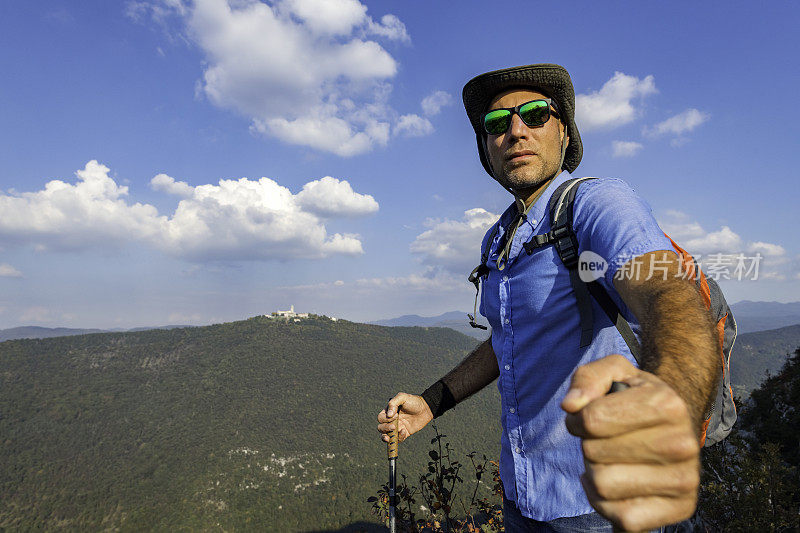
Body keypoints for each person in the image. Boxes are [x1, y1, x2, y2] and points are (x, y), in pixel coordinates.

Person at [377, 64, 720, 532]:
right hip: (524, 498)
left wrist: (669, 409)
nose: (515, 131)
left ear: (564, 131)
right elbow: (511, 339)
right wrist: (433, 401)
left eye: (535, 114)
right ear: (486, 147)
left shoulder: (597, 203)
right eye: (496, 124)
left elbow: (667, 296)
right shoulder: (498, 239)